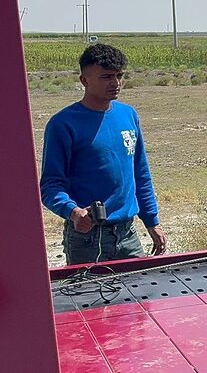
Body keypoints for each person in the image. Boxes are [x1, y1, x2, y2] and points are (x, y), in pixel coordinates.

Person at [40, 43, 167, 265]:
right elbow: (50, 186)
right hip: (87, 238)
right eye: (107, 76)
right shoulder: (63, 124)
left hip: (128, 235)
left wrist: (151, 221)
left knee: (140, 296)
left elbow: (140, 173)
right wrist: (73, 212)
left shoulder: (128, 115)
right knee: (90, 298)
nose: (116, 83)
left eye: (119, 75)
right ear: (84, 80)